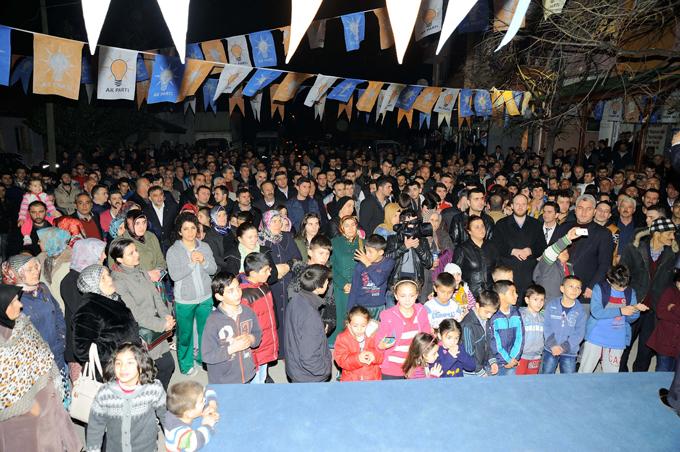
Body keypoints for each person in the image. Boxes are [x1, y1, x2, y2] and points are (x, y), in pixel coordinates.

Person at [0, 284, 81, 452]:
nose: (20, 305)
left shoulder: (22, 323)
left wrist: (56, 381)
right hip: (23, 419)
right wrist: (29, 405)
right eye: (13, 302)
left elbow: (43, 353)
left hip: (50, 401)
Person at [109, 238, 176, 389]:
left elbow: (156, 297)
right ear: (119, 259)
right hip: (142, 334)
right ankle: (153, 402)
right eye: (130, 253)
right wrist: (162, 324)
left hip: (157, 327)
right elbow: (135, 314)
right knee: (149, 375)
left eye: (136, 251)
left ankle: (159, 398)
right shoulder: (118, 281)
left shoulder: (141, 271)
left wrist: (166, 315)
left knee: (167, 366)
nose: (136, 255)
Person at [619, 217, 677, 372]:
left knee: (646, 348)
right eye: (670, 233)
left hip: (655, 309)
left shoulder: (674, 254)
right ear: (657, 233)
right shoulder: (633, 249)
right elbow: (621, 275)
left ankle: (640, 377)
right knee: (624, 343)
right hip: (633, 305)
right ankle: (620, 374)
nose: (673, 237)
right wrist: (623, 302)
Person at [86, 343, 166, 452]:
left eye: (130, 362)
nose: (123, 368)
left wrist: (177, 436)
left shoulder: (153, 389)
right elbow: (95, 426)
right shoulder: (105, 394)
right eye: (118, 363)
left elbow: (166, 415)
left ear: (142, 365)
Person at [167, 213, 218, 376]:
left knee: (206, 332)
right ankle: (186, 364)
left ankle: (203, 359)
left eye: (193, 228)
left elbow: (213, 270)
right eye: (186, 229)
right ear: (180, 231)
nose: (190, 232)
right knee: (185, 334)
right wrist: (191, 263)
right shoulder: (173, 251)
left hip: (205, 297)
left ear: (197, 229)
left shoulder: (205, 247)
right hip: (185, 300)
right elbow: (174, 275)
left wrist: (203, 261)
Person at [72, 264, 140, 381]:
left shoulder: (112, 299)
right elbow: (82, 350)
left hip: (128, 365)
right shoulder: (88, 309)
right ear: (92, 283)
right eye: (103, 278)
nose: (109, 279)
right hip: (111, 373)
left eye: (108, 275)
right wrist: (121, 348)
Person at [2, 255, 67, 374]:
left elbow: (57, 312)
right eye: (30, 269)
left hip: (58, 353)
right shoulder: (12, 301)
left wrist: (61, 340)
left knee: (63, 389)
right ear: (15, 273)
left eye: (36, 267)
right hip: (36, 365)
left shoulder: (43, 288)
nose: (36, 271)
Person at [580, 265, 646, 374]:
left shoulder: (630, 292)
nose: (622, 288)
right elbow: (596, 312)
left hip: (617, 339)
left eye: (625, 285)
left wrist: (635, 310)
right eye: (619, 286)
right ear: (609, 281)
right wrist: (621, 311)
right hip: (596, 336)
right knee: (585, 371)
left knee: (611, 374)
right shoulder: (600, 288)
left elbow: (630, 320)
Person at [551, 194, 615, 301]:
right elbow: (551, 251)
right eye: (580, 208)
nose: (584, 212)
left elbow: (605, 264)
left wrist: (592, 286)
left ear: (594, 211)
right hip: (559, 285)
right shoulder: (563, 228)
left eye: (588, 209)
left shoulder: (603, 233)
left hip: (584, 289)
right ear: (575, 210)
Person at [202, 272, 262, 384]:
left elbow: (258, 334)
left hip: (247, 374)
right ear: (219, 296)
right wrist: (231, 349)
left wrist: (251, 339)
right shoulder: (213, 321)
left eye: (238, 287)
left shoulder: (248, 312)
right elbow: (207, 355)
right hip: (224, 380)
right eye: (231, 291)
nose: (238, 293)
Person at [60, 237, 106, 373]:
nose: (104, 256)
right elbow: (83, 314)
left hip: (96, 345)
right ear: (88, 255)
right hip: (80, 349)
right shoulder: (70, 281)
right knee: (84, 391)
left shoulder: (92, 277)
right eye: (100, 252)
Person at [259, 209, 300, 357]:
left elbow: (297, 258)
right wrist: (276, 271)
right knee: (273, 320)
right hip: (271, 286)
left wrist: (287, 266)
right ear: (266, 223)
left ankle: (288, 350)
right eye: (274, 221)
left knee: (289, 318)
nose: (277, 224)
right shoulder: (261, 241)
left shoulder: (287, 237)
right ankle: (276, 350)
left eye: (279, 220)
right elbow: (260, 264)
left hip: (289, 283)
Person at [375, 280, 432, 380]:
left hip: (415, 367)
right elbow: (378, 343)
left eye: (411, 295)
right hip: (392, 368)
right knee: (392, 395)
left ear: (417, 295)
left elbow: (426, 337)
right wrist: (381, 345)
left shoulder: (421, 310)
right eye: (403, 296)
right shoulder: (388, 315)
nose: (407, 300)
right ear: (396, 296)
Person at [284, 265, 333, 382]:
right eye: (327, 281)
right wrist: (324, 370)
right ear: (318, 286)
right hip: (309, 377)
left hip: (295, 368)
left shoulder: (296, 299)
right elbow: (309, 357)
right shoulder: (310, 314)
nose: (328, 284)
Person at [492, 194, 544, 299]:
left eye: (523, 204)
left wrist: (531, 250)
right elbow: (496, 245)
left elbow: (542, 245)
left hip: (529, 272)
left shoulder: (536, 224)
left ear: (528, 206)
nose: (520, 207)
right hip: (508, 271)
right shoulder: (501, 224)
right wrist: (512, 251)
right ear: (511, 205)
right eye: (517, 204)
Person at [240, 252, 279, 384]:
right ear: (253, 273)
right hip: (255, 349)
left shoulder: (263, 285)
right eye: (265, 270)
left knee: (262, 377)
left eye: (269, 269)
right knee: (255, 382)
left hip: (266, 343)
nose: (269, 273)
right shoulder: (244, 296)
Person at [541, 275, 587, 374]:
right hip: (551, 349)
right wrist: (553, 345)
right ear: (562, 288)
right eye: (571, 286)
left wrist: (563, 347)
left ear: (580, 292)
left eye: (578, 287)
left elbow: (579, 333)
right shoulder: (551, 305)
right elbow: (546, 326)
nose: (574, 290)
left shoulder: (581, 312)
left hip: (570, 351)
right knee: (545, 375)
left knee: (568, 379)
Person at [385, 209, 433, 301]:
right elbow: (385, 259)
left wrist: (418, 247)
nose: (415, 226)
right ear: (402, 223)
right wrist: (404, 247)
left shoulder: (422, 241)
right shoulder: (393, 239)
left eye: (416, 223)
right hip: (395, 283)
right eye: (412, 223)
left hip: (415, 284)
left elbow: (429, 263)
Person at [347, 234, 395, 318]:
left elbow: (378, 281)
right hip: (361, 306)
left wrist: (368, 264)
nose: (367, 254)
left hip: (378, 307)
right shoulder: (360, 265)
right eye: (366, 250)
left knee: (377, 330)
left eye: (370, 252)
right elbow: (354, 290)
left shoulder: (388, 263)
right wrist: (349, 312)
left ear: (380, 252)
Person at [164, 381, 220, 452]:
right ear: (189, 413)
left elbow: (207, 389)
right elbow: (194, 443)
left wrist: (212, 404)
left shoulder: (183, 410)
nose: (205, 400)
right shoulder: (177, 431)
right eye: (201, 401)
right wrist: (207, 425)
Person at [333, 306, 384, 382]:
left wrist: (374, 356)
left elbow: (383, 354)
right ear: (348, 324)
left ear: (368, 323)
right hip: (351, 381)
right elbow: (341, 360)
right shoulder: (342, 338)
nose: (359, 329)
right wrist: (358, 359)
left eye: (363, 326)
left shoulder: (375, 335)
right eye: (355, 326)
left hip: (373, 379)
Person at [454, 215, 498, 299]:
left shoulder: (492, 246)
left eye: (482, 226)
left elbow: (498, 268)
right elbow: (455, 272)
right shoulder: (462, 249)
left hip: (490, 293)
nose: (481, 229)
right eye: (477, 227)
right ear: (469, 231)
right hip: (470, 294)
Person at [488, 280, 524, 376]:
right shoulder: (493, 316)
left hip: (512, 362)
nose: (516, 295)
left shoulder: (516, 313)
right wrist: (506, 359)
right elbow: (493, 341)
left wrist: (513, 358)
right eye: (513, 292)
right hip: (496, 363)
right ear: (501, 295)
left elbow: (520, 337)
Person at [533, 227, 579, 303]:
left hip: (562, 307)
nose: (565, 252)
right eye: (561, 251)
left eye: (566, 250)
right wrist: (567, 238)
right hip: (545, 307)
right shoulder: (547, 264)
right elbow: (549, 253)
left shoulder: (569, 267)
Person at [648, 272, 680, 371]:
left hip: (677, 345)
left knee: (675, 377)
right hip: (665, 341)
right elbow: (661, 313)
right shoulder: (670, 292)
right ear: (677, 282)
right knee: (662, 372)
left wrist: (674, 308)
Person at [35, 227, 72, 312]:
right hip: (46, 309)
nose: (38, 243)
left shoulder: (71, 262)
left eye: (41, 240)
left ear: (51, 241)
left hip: (65, 310)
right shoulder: (39, 260)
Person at [18, 178, 60, 246]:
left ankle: (58, 231)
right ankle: (26, 236)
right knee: (26, 222)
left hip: (44, 213)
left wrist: (54, 212)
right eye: (35, 186)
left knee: (54, 219)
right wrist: (21, 218)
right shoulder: (27, 196)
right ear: (29, 187)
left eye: (40, 185)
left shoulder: (44, 195)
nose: (38, 187)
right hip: (30, 214)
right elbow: (23, 208)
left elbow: (49, 205)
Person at [517, 285, 545, 375]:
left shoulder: (543, 318)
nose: (539, 303)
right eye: (535, 299)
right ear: (527, 300)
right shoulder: (520, 315)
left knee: (532, 380)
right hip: (521, 356)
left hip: (536, 356)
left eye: (542, 300)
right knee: (518, 380)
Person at [144, 185, 179, 252]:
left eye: (161, 194)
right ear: (150, 198)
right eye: (155, 195)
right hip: (154, 246)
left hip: (172, 244)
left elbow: (177, 224)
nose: (159, 198)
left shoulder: (173, 207)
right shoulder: (145, 212)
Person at [203, 205, 234, 273]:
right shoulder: (210, 235)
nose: (223, 218)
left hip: (234, 262)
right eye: (219, 216)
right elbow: (215, 258)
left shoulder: (230, 229)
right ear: (213, 218)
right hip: (221, 269)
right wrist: (232, 264)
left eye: (224, 214)